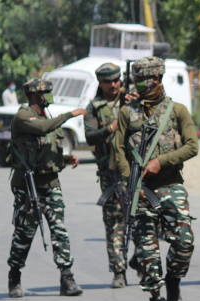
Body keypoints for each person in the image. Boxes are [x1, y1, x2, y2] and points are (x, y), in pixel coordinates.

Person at [114, 56, 198, 301]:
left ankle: (173, 280)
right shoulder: (128, 113)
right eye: (137, 83)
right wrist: (131, 182)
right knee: (147, 251)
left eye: (146, 83)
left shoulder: (177, 111)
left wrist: (161, 162)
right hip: (140, 190)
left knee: (184, 242)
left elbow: (192, 146)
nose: (141, 88)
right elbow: (118, 150)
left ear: (159, 80)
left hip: (170, 185)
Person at [6, 78, 86, 298]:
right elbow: (42, 129)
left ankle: (67, 278)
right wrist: (70, 115)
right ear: (34, 95)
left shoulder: (47, 117)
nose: (49, 96)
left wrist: (66, 159)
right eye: (46, 92)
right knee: (25, 232)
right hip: (27, 184)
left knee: (59, 230)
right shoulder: (23, 117)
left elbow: (48, 150)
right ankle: (14, 275)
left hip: (50, 183)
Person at [84, 63, 129, 288]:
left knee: (143, 219)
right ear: (100, 83)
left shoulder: (131, 100)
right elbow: (90, 136)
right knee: (113, 223)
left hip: (134, 170)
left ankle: (141, 259)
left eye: (116, 80)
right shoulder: (94, 107)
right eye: (108, 81)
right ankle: (119, 270)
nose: (114, 85)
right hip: (109, 172)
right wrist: (109, 129)